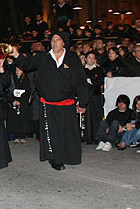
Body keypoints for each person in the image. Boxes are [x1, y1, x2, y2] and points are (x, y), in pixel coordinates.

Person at [12, 31, 89, 171]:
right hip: (48, 104)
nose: (54, 42)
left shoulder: (72, 58)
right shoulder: (43, 57)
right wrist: (16, 54)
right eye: (52, 40)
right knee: (52, 133)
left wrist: (83, 103)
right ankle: (55, 159)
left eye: (57, 40)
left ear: (64, 42)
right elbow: (28, 64)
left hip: (67, 104)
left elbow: (81, 82)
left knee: (68, 132)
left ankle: (69, 156)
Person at [7, 65, 32, 143]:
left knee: (22, 119)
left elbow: (27, 92)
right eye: (16, 70)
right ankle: (16, 136)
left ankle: (22, 136)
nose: (17, 71)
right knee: (15, 120)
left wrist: (20, 100)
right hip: (14, 102)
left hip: (23, 103)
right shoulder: (13, 79)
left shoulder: (26, 80)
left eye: (19, 70)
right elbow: (10, 91)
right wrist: (13, 101)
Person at [83, 52, 104, 145]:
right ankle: (88, 137)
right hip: (86, 96)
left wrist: (90, 80)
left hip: (96, 96)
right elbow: (81, 82)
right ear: (86, 59)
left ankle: (97, 137)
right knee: (87, 117)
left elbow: (100, 81)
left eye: (93, 58)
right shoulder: (82, 70)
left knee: (97, 116)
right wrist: (92, 80)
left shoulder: (99, 70)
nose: (91, 59)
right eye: (89, 57)